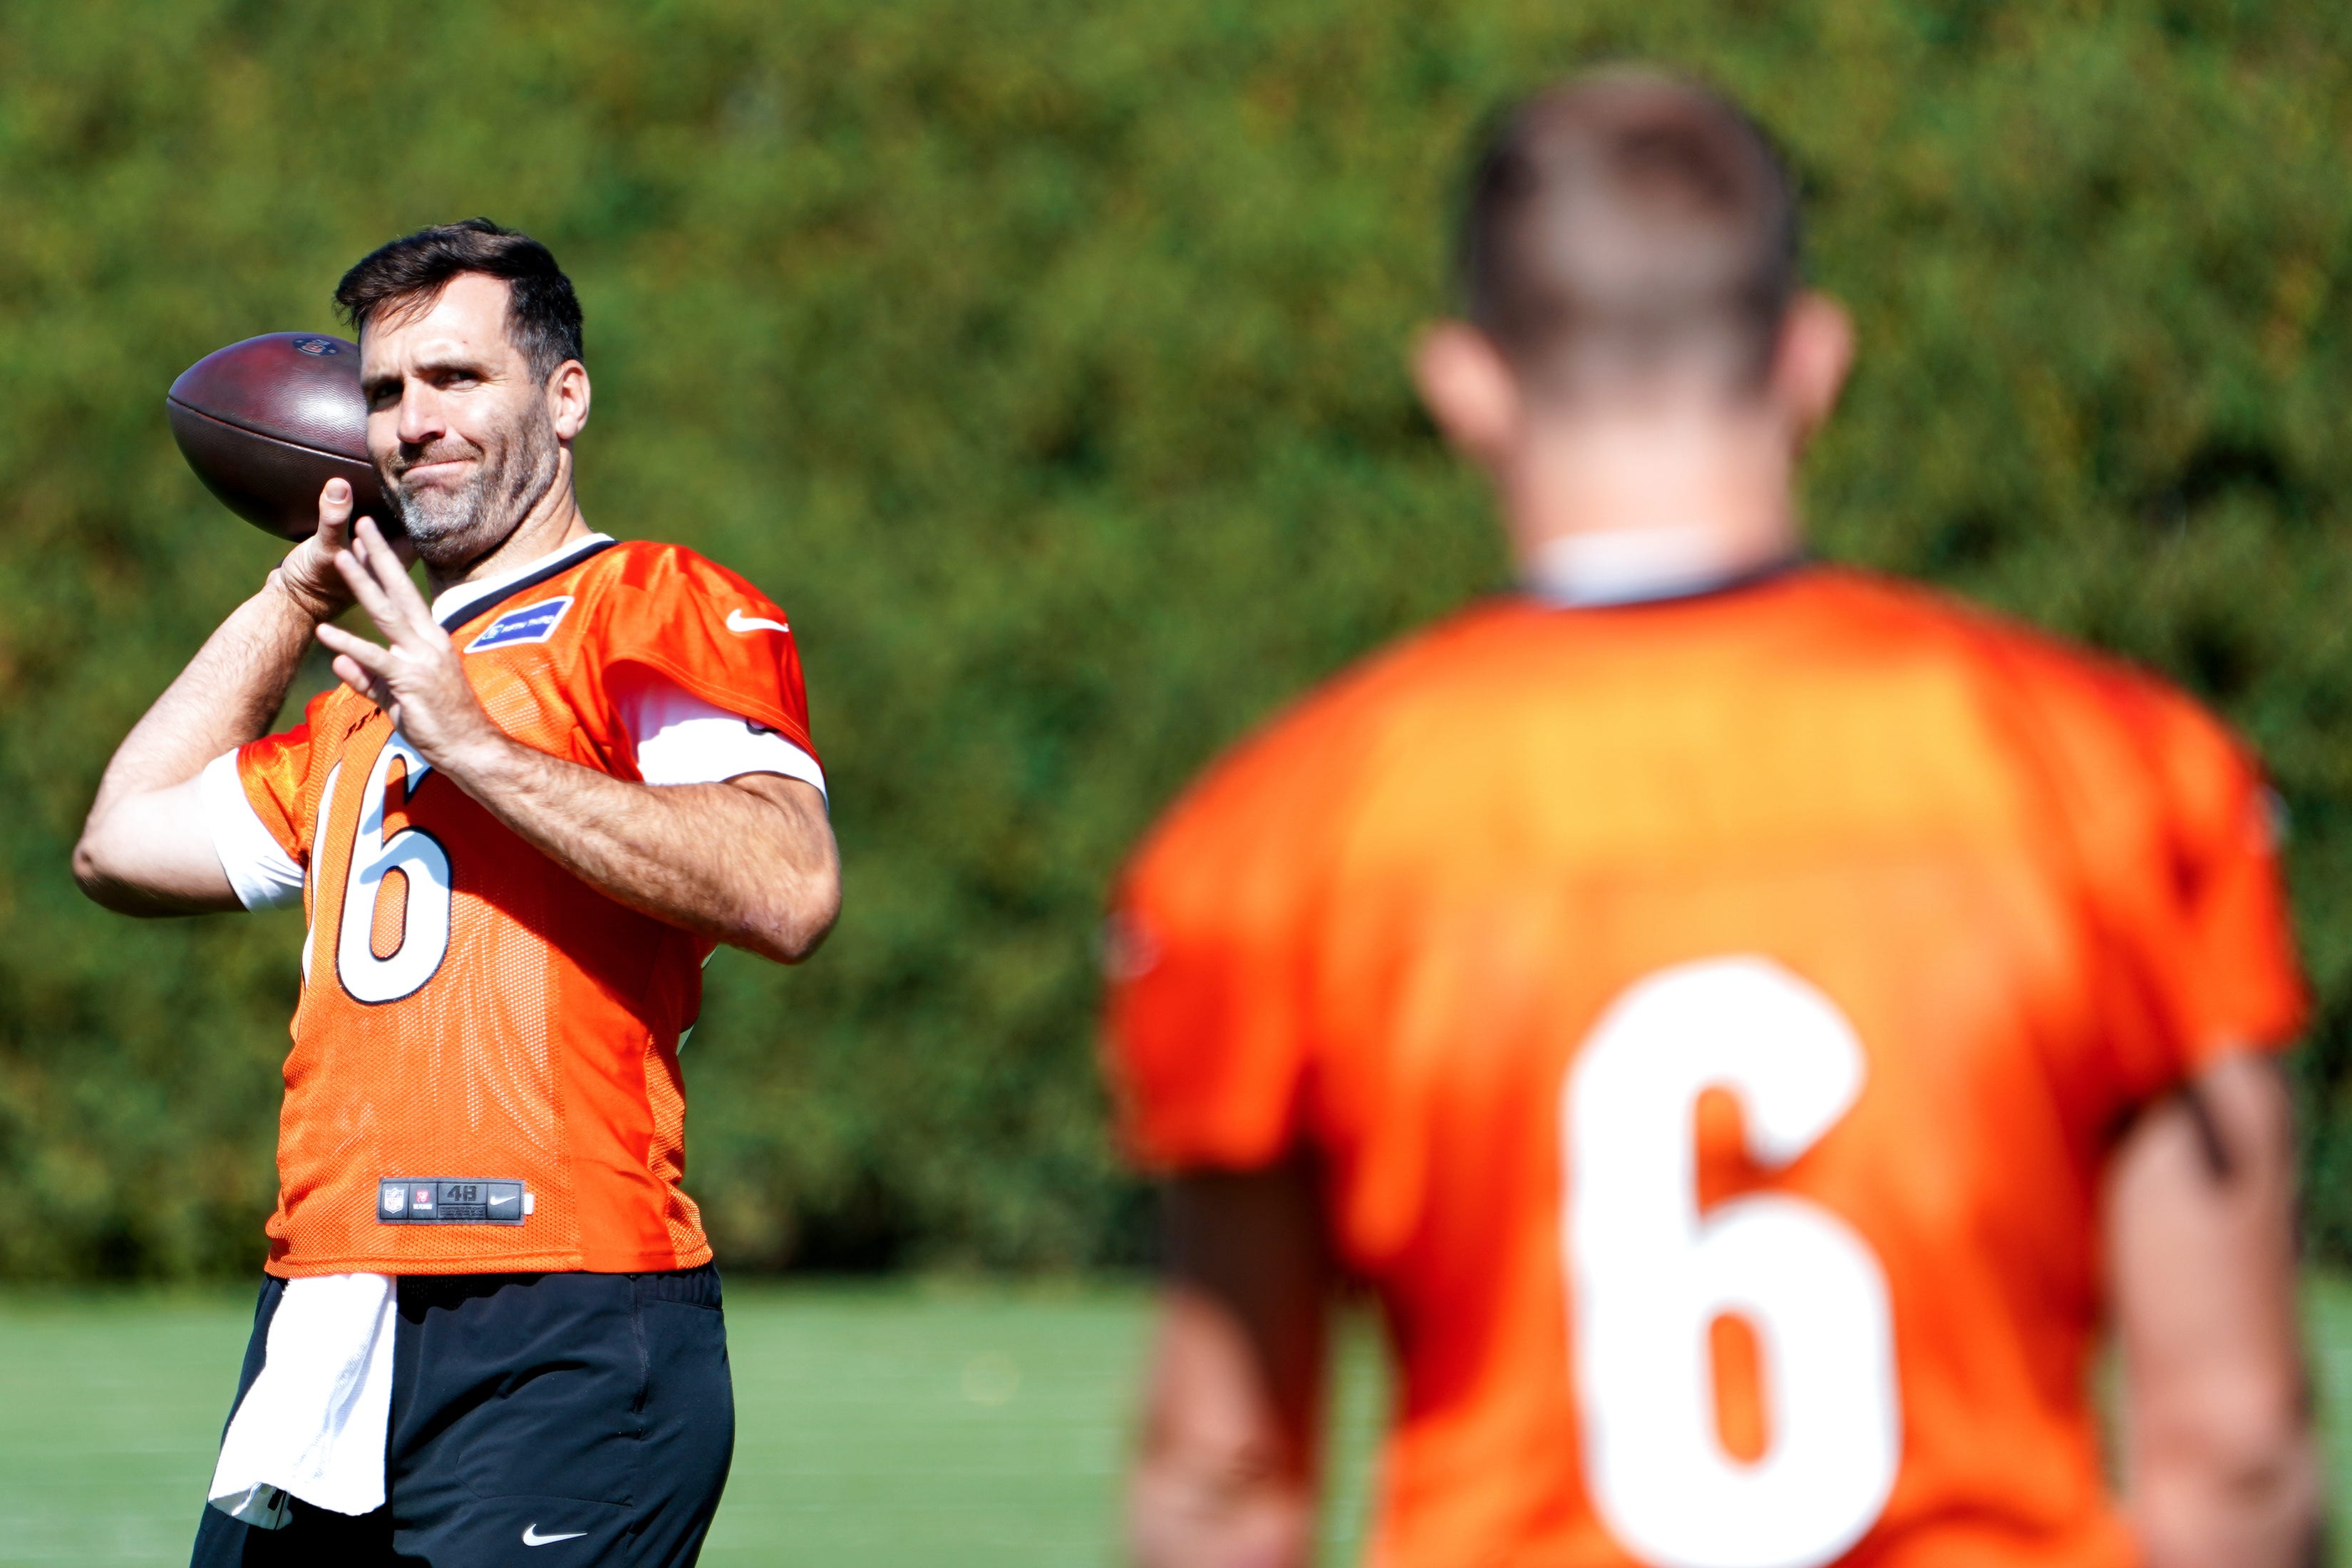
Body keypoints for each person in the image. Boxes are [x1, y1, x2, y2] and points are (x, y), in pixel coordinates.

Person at [1104, 72, 2319, 1568]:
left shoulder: (1280, 838)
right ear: (1813, 362)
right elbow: (2234, 1452)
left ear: (1464, 386)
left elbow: (1225, 1481)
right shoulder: (2119, 778)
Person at [73, 219, 840, 1565]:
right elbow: (120, 844)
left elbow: (790, 886)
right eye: (385, 392)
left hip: (562, 1310)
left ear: (565, 396)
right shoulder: (365, 704)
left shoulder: (648, 602)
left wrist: (476, 744)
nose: (415, 421)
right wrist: (295, 589)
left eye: (457, 378)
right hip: (331, 1305)